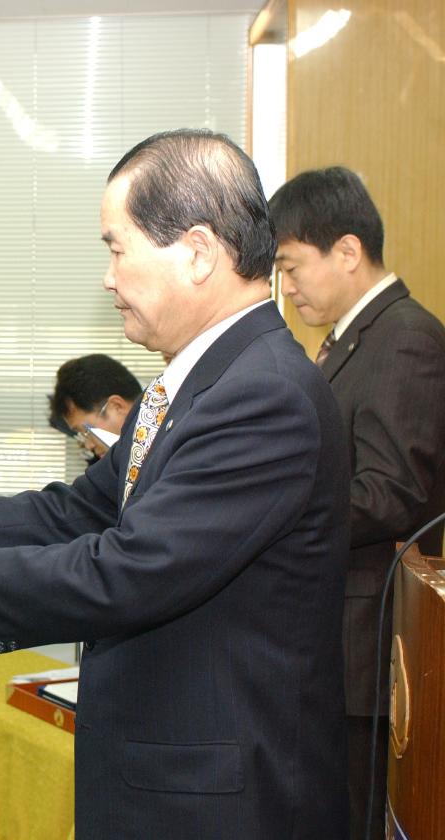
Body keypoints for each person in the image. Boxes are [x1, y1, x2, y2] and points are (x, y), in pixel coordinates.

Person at [0, 129, 350, 838]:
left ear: (198, 251)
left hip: (221, 795)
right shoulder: (196, 381)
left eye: (116, 247)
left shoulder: (265, 395)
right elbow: (80, 511)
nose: (107, 277)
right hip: (162, 761)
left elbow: (132, 571)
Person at [270, 166, 445, 839]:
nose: (286, 287)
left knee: (358, 819)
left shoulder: (404, 338)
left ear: (347, 251)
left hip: (370, 641)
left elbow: (389, 494)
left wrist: (274, 517)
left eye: (291, 266)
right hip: (336, 632)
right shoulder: (351, 337)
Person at [47, 353, 142, 461]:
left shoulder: (162, 462)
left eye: (87, 431)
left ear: (117, 406)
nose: (89, 446)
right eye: (82, 435)